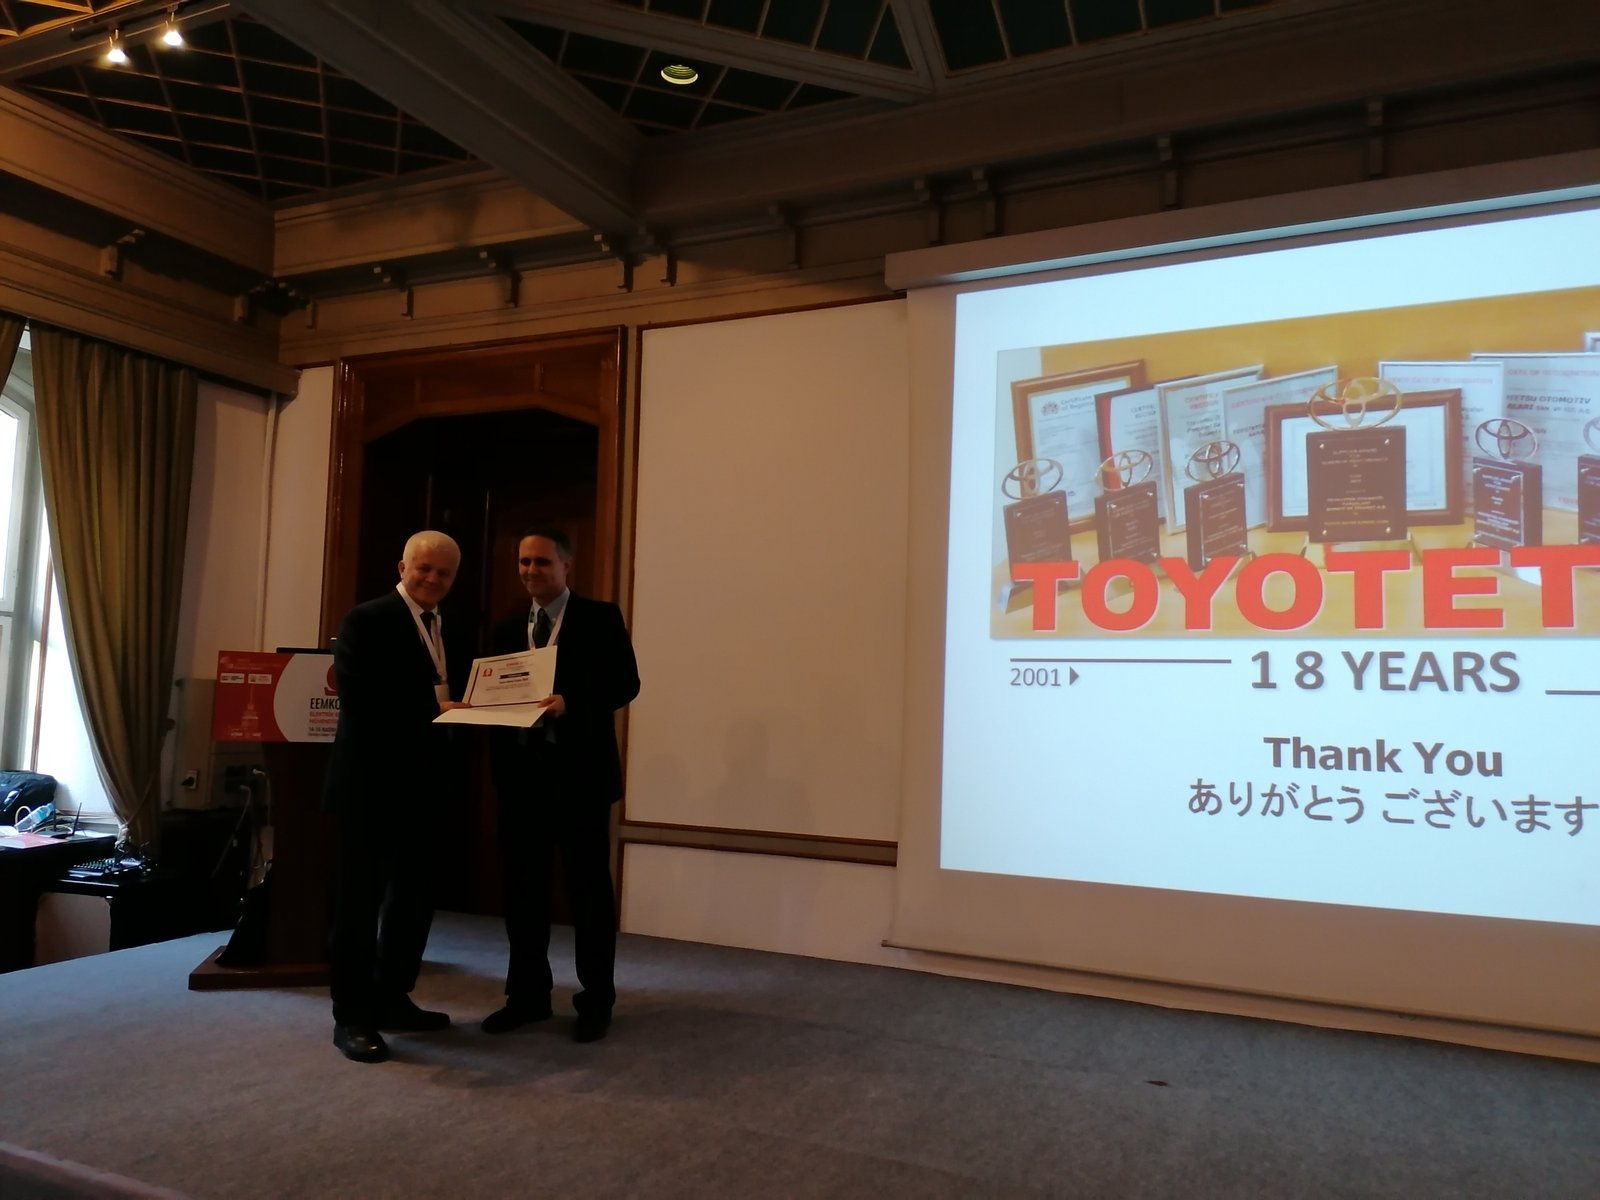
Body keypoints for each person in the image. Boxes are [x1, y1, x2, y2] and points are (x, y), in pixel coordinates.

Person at [483, 526, 639, 1043]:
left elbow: (626, 683)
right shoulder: (507, 627)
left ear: (567, 565)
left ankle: (596, 1000)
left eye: (542, 562)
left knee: (588, 892)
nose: (531, 571)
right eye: (524, 562)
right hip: (521, 783)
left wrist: (572, 702)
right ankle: (526, 997)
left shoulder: (600, 618)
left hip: (581, 780)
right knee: (523, 893)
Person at [323, 530, 468, 1063]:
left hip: (426, 789)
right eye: (423, 568)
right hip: (369, 787)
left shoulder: (449, 627)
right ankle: (352, 1016)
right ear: (402, 567)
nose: (432, 579)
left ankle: (393, 997)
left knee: (413, 901)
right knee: (358, 905)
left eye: (444, 573)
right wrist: (438, 707)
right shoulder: (365, 620)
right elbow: (361, 696)